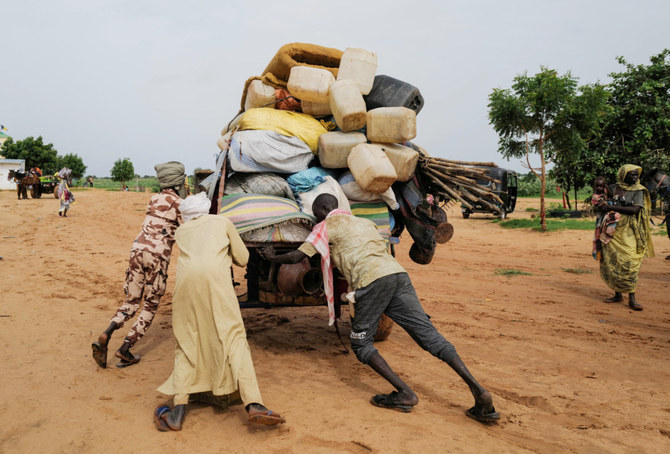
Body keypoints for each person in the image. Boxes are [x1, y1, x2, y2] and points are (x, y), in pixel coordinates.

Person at [262, 193, 499, 423]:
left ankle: (405, 394)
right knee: (430, 336)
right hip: (397, 275)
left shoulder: (324, 227)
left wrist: (272, 257)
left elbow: (297, 256)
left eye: (317, 215)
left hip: (371, 281)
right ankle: (480, 393)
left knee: (361, 344)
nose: (318, 219)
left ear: (324, 211)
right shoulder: (365, 222)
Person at [154, 193, 285, 431]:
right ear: (207, 210)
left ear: (186, 216)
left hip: (185, 287)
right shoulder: (222, 222)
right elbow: (243, 259)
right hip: (217, 285)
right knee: (234, 338)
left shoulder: (181, 232)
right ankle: (254, 404)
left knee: (187, 341)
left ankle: (177, 411)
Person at [91, 162, 187, 368]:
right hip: (157, 256)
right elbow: (186, 230)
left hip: (137, 249)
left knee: (132, 300)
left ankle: (107, 333)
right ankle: (125, 349)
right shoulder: (180, 204)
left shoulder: (153, 199)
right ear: (179, 182)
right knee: (151, 304)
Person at [598, 164, 655, 311]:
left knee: (630, 261)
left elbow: (634, 210)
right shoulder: (612, 187)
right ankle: (618, 294)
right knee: (614, 261)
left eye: (637, 175)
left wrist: (612, 207)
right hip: (611, 229)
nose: (636, 178)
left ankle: (632, 298)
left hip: (629, 230)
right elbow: (601, 198)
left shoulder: (639, 190)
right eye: (632, 175)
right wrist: (601, 204)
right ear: (623, 175)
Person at [591, 176, 619, 260]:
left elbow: (611, 195)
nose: (599, 188)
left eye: (601, 186)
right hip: (602, 215)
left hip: (609, 212)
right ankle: (599, 252)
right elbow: (597, 206)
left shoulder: (606, 191)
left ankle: (609, 234)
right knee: (599, 229)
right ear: (594, 186)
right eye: (597, 186)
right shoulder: (595, 196)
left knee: (614, 220)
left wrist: (607, 189)